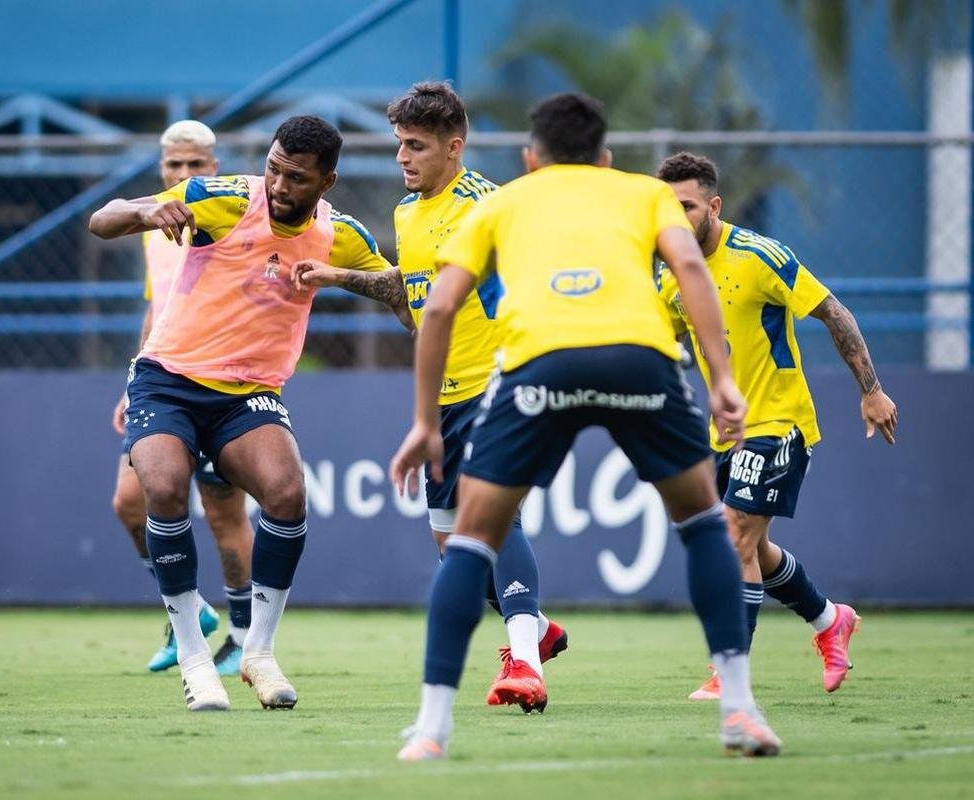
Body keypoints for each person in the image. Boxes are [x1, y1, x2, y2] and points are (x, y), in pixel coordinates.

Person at [389, 92, 781, 760]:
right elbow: (690, 269)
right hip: (639, 360)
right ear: (603, 158)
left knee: (470, 539)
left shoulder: (500, 201)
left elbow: (440, 308)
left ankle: (431, 728)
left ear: (529, 157)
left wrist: (425, 421)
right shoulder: (643, 194)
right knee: (701, 524)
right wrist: (720, 379)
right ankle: (739, 710)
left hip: (538, 364)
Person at [90, 115, 409, 712]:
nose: (280, 186)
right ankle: (192, 657)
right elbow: (101, 219)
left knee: (287, 494)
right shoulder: (223, 199)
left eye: (297, 179)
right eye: (274, 169)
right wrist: (142, 212)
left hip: (248, 393)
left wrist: (345, 278)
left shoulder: (342, 236)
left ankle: (257, 653)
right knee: (160, 485)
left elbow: (405, 300)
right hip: (168, 378)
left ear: (327, 181)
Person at [294, 82, 567, 712]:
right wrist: (339, 276)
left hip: (501, 379)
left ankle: (526, 663)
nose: (402, 159)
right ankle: (537, 628)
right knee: (456, 545)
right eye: (398, 146)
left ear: (455, 146)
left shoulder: (491, 206)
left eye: (415, 146)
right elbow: (410, 291)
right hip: (443, 396)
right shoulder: (408, 212)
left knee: (492, 519)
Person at [654, 151, 897, 699]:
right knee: (754, 549)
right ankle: (830, 620)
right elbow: (661, 336)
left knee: (734, 534)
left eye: (686, 207)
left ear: (713, 205)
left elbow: (834, 312)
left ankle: (730, 671)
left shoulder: (759, 256)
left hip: (780, 420)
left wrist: (871, 391)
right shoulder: (670, 275)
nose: (675, 219)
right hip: (727, 433)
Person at [109, 120, 253, 677]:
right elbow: (157, 307)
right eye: (175, 166)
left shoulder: (232, 219)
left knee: (222, 512)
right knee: (128, 502)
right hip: (160, 380)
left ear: (213, 168)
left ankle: (242, 634)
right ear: (161, 168)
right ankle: (188, 609)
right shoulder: (151, 226)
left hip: (220, 382)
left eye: (196, 165)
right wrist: (133, 376)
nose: (185, 175)